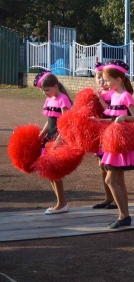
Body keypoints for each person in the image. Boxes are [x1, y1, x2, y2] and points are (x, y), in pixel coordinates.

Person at [99, 60, 134, 229]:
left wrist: (124, 118)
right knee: (118, 180)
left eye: (108, 79)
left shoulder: (125, 95)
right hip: (113, 141)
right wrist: (98, 120)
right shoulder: (114, 95)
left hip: (120, 143)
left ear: (118, 79)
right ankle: (124, 215)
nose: (105, 83)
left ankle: (123, 215)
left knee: (111, 179)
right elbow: (113, 118)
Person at [32, 71, 73, 214]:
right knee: (48, 172)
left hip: (58, 138)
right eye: (43, 91)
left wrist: (58, 139)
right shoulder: (49, 100)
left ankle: (61, 203)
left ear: (55, 86)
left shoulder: (63, 100)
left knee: (54, 173)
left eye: (47, 90)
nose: (45, 93)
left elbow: (66, 123)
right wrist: (42, 134)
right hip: (49, 137)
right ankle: (61, 202)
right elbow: (49, 120)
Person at [92, 63, 116, 210]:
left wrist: (100, 99)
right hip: (99, 131)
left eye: (103, 78)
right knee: (101, 165)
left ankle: (115, 198)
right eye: (98, 77)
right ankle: (108, 197)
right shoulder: (98, 92)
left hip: (111, 130)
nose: (101, 80)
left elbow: (112, 113)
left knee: (110, 166)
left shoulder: (114, 93)